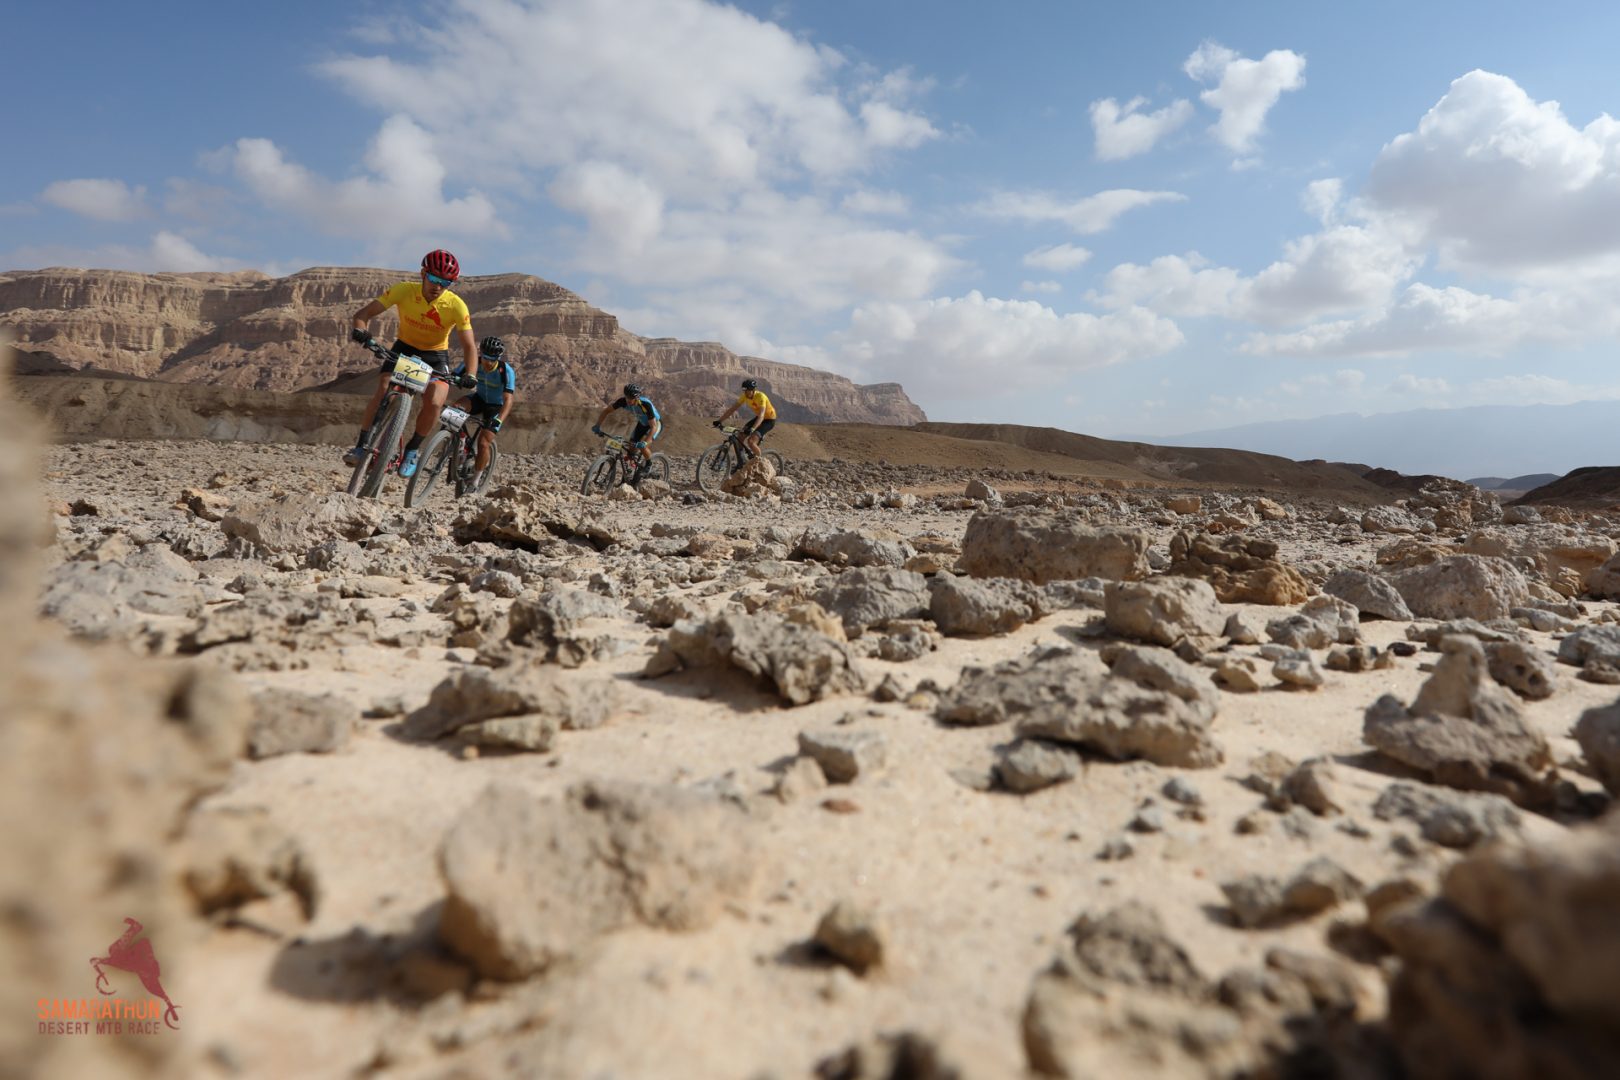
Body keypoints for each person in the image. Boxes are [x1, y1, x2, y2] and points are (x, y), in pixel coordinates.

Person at [345, 249, 477, 479]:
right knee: (384, 387)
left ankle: (412, 450)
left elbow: (469, 347)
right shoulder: (404, 290)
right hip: (404, 348)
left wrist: (471, 375)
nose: (438, 286)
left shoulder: (456, 305)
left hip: (435, 355)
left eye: (446, 282)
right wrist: (361, 331)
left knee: (436, 401)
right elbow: (363, 314)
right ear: (423, 273)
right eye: (434, 278)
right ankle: (361, 444)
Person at [450, 335, 516, 477]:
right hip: (479, 398)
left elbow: (508, 400)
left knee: (483, 443)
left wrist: (499, 419)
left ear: (498, 358)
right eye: (485, 357)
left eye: (493, 359)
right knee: (454, 410)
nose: (488, 362)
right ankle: (462, 441)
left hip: (496, 407)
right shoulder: (475, 362)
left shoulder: (505, 371)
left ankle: (475, 480)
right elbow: (455, 374)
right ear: (481, 354)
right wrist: (456, 379)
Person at [593, 383, 661, 471]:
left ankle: (649, 464)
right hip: (642, 424)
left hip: (654, 425)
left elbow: (653, 426)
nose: (628, 400)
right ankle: (632, 469)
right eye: (626, 397)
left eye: (631, 398)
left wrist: (645, 442)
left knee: (643, 447)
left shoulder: (645, 404)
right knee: (631, 449)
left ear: (636, 398)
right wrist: (597, 425)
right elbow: (606, 411)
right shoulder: (623, 401)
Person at [712, 376, 776, 462]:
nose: (745, 392)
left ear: (752, 390)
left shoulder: (761, 396)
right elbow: (732, 409)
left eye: (747, 390)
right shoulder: (744, 396)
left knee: (751, 442)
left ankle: (760, 463)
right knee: (740, 436)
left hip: (768, 420)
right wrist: (719, 421)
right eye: (744, 390)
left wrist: (752, 429)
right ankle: (742, 461)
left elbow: (761, 416)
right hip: (759, 418)